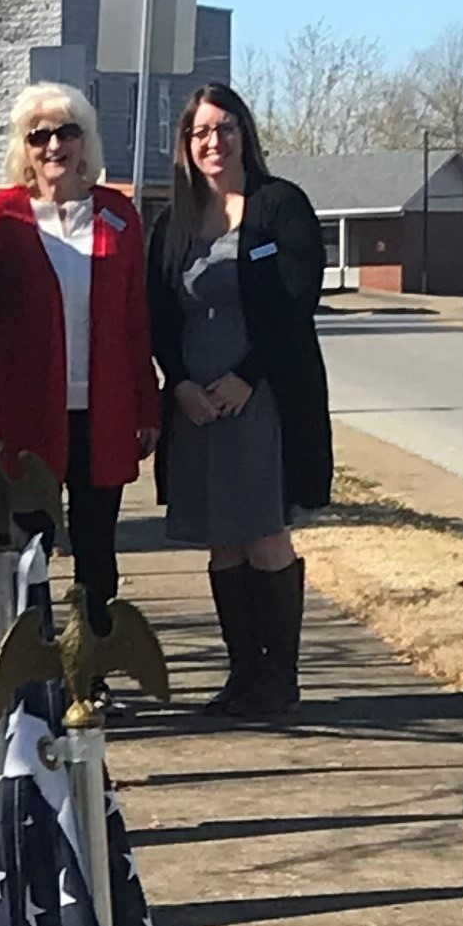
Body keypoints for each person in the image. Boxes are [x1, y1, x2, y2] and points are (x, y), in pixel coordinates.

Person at [147, 82, 331, 719]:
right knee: (221, 540)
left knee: (264, 534)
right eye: (200, 132)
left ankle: (280, 678)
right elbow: (158, 315)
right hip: (197, 406)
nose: (213, 141)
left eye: (224, 128)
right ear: (185, 145)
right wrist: (181, 384)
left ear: (244, 134)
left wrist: (247, 377)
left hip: (263, 398)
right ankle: (241, 675)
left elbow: (294, 299)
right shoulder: (173, 222)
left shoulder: (280, 207)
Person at [0, 82, 158, 642]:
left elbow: (136, 319)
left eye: (67, 131)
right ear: (24, 146)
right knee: (29, 541)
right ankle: (32, 666)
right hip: (26, 414)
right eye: (40, 135)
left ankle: (93, 660)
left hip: (102, 408)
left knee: (97, 544)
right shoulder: (1, 219)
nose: (54, 145)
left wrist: (146, 404)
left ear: (86, 141)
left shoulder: (117, 215)